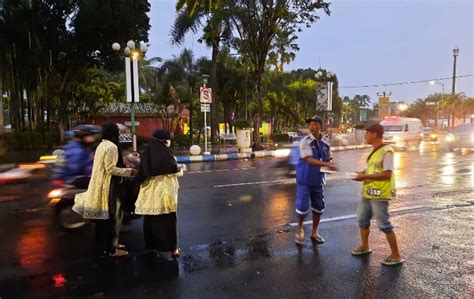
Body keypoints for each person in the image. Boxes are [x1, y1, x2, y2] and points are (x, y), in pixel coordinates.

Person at [73, 121, 137, 257]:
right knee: (112, 218)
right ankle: (111, 249)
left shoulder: (102, 145)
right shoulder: (112, 147)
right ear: (114, 132)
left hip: (101, 185)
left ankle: (109, 244)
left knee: (105, 219)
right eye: (118, 131)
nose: (119, 133)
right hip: (110, 187)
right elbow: (110, 169)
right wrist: (129, 171)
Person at [351, 123, 404, 266]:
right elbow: (373, 170)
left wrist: (364, 177)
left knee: (384, 224)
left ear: (375, 134)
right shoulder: (374, 151)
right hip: (368, 192)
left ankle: (396, 255)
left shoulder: (387, 151)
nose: (365, 136)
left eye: (367, 133)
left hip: (380, 193)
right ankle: (365, 246)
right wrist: (363, 173)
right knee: (362, 219)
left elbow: (387, 174)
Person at [134, 130, 184, 259]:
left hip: (150, 194)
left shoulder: (147, 153)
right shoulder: (166, 154)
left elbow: (141, 173)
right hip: (166, 195)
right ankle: (174, 250)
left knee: (151, 220)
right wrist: (181, 169)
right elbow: (173, 170)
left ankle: (152, 246)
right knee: (169, 221)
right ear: (164, 141)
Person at [294, 115, 337, 246]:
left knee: (318, 207)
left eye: (315, 124)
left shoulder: (326, 142)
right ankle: (299, 230)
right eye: (310, 124)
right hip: (305, 178)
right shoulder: (305, 141)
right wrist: (327, 165)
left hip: (318, 180)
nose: (312, 127)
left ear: (320, 126)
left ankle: (314, 232)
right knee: (302, 207)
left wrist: (329, 165)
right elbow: (308, 159)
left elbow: (328, 158)